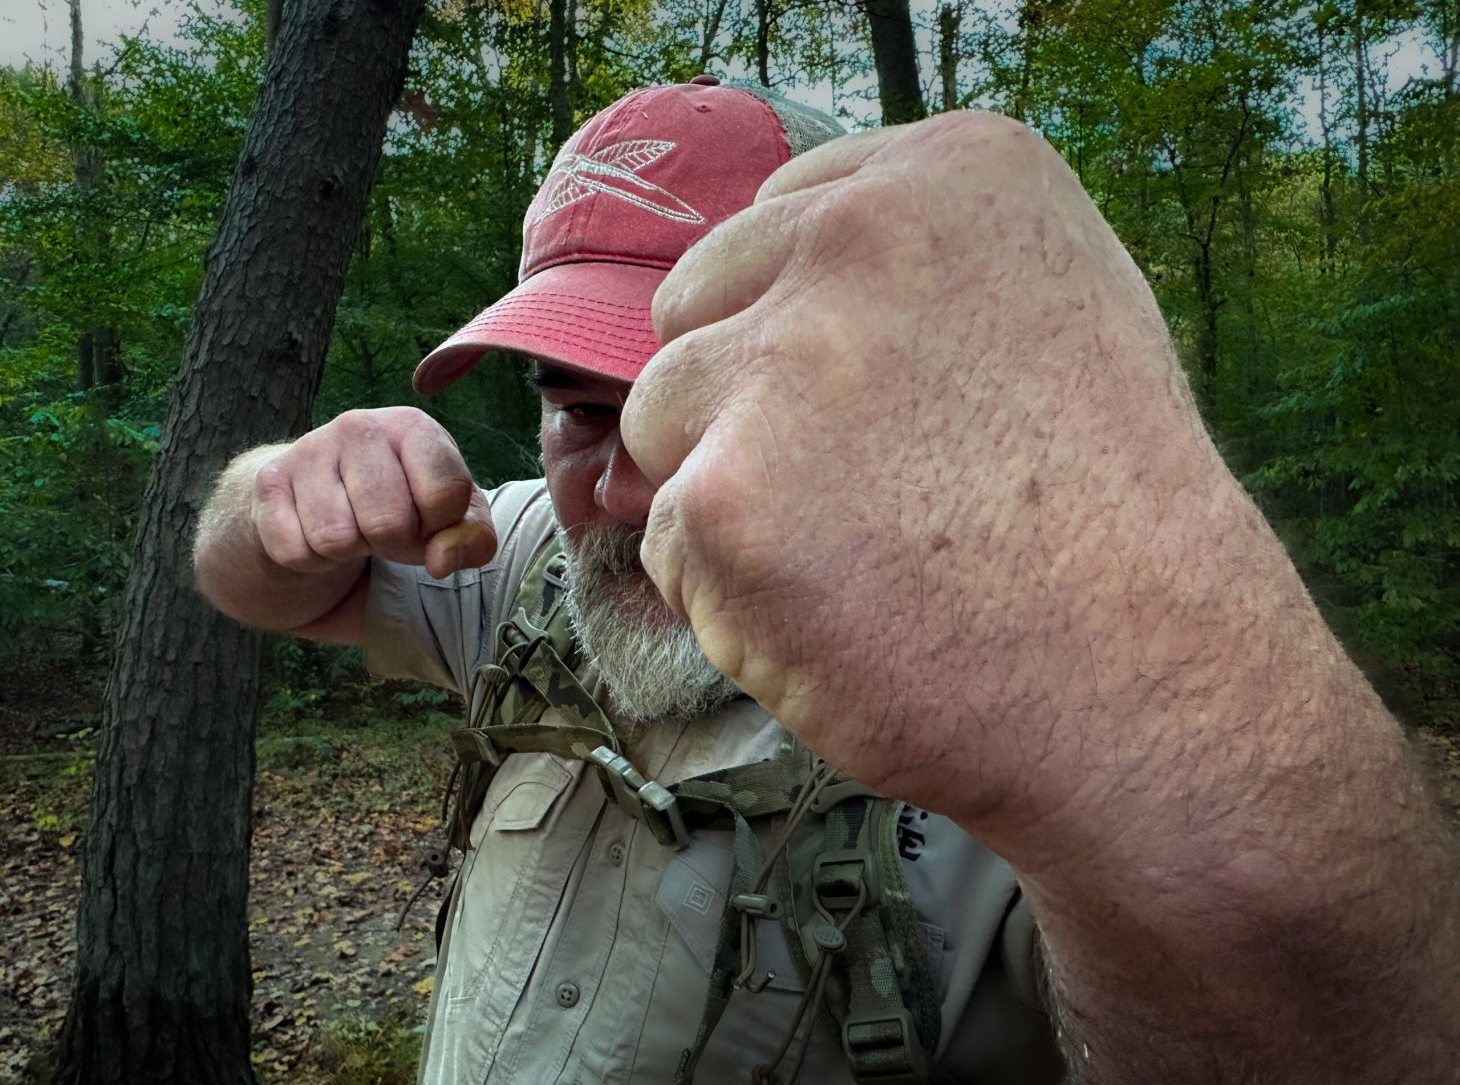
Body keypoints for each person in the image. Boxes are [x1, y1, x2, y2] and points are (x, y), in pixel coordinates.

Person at [193, 79, 1460, 1085]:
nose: (630, 491)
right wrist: (276, 491)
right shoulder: (529, 556)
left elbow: (1341, 1030)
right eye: (579, 412)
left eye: (688, 407)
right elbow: (260, 587)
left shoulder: (1011, 697)